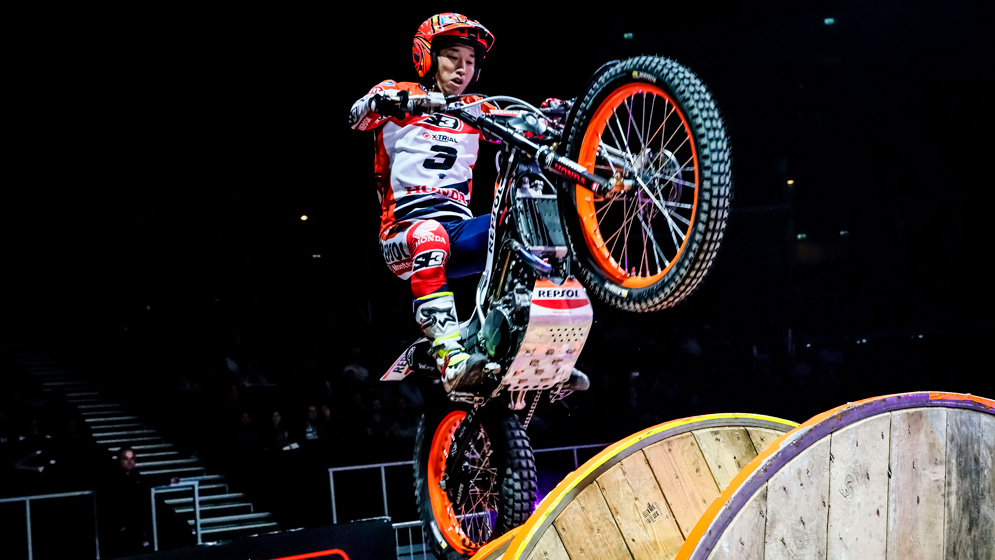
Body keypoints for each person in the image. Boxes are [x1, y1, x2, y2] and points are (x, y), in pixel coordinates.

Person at [348, 12, 496, 392]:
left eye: (470, 62)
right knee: (430, 235)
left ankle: (524, 343)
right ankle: (448, 355)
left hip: (459, 236)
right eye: (452, 57)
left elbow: (529, 126)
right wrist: (389, 102)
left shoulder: (477, 108)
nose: (462, 69)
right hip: (402, 237)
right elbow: (356, 117)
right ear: (427, 57)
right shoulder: (401, 92)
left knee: (518, 224)